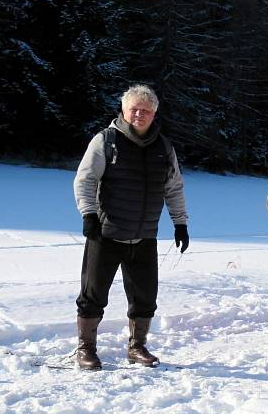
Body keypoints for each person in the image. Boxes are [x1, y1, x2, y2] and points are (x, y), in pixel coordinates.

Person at [73, 84, 189, 370]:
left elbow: (173, 188)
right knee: (93, 293)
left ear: (153, 114)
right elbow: (85, 179)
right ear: (124, 111)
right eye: (134, 109)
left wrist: (180, 223)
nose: (139, 114)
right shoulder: (106, 140)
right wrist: (89, 214)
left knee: (145, 296)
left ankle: (137, 346)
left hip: (145, 235)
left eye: (145, 110)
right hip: (106, 232)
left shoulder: (163, 147)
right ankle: (86, 348)